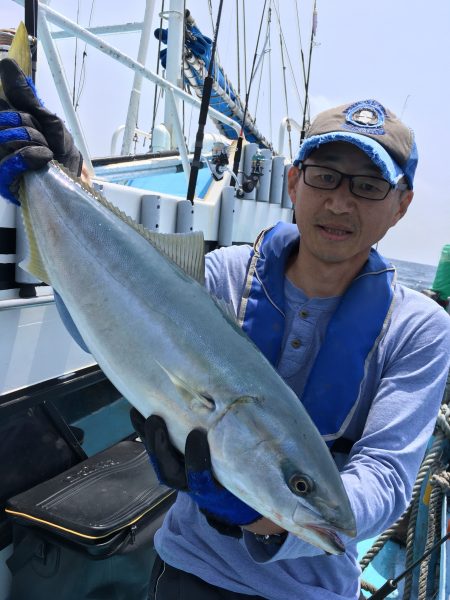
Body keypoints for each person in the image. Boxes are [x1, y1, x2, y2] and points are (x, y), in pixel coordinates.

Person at [1, 58, 450, 600]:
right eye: (324, 176)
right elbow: (107, 326)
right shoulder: (226, 274)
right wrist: (60, 182)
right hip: (188, 568)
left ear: (401, 206)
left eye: (368, 186)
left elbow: (386, 475)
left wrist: (263, 516)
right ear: (293, 181)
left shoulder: (419, 329)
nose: (339, 201)